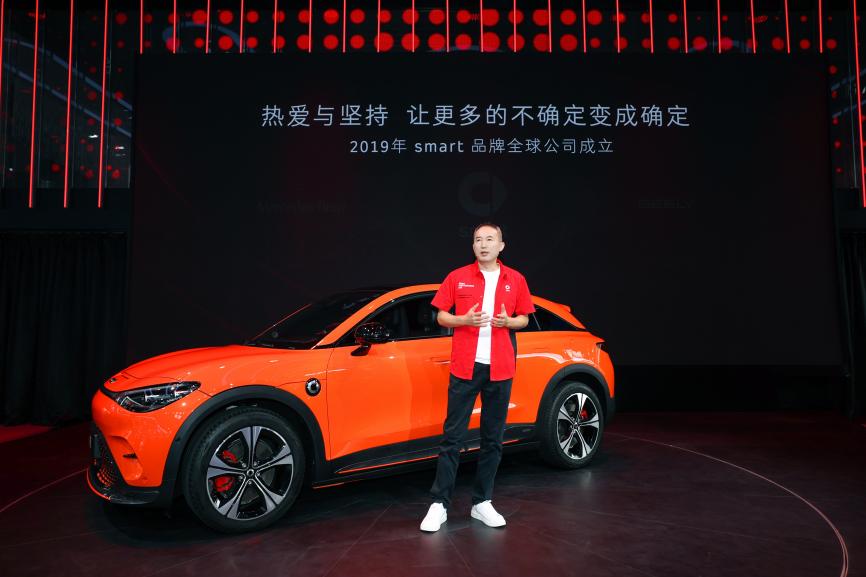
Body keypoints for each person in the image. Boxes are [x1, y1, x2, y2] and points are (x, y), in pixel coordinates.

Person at [420, 222, 535, 532]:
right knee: (452, 437)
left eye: (489, 239)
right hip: (465, 367)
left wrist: (509, 322)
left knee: (493, 439)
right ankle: (439, 504)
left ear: (501, 245)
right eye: (478, 240)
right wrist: (464, 319)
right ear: (473, 246)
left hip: (500, 368)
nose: (483, 244)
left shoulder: (516, 279)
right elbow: (440, 315)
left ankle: (482, 502)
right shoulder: (457, 276)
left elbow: (525, 318)